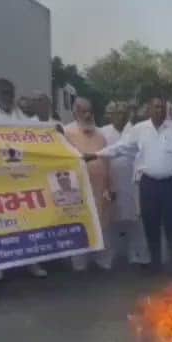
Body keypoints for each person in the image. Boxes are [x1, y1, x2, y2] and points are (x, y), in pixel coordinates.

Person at [92, 94, 172, 271]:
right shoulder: (140, 130)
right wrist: (96, 154)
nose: (160, 110)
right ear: (149, 110)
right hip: (149, 185)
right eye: (156, 107)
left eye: (163, 107)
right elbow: (121, 147)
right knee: (151, 224)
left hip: (171, 185)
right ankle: (155, 263)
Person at [0, 78, 48, 280]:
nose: (8, 96)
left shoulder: (24, 119)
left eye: (10, 92)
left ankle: (32, 262)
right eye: (3, 92)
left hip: (22, 178)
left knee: (27, 222)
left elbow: (41, 133)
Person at [99, 101, 153, 266]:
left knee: (136, 222)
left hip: (133, 183)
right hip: (112, 181)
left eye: (124, 112)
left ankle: (138, 255)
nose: (121, 115)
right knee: (110, 223)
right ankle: (107, 258)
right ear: (111, 115)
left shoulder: (136, 131)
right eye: (117, 112)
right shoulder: (103, 132)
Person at [63, 98, 114, 271]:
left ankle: (103, 261)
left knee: (102, 224)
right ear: (75, 113)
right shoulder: (66, 132)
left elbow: (107, 161)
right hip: (77, 188)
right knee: (80, 224)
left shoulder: (101, 135)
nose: (88, 115)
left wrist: (110, 186)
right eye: (83, 111)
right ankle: (79, 264)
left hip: (100, 188)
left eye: (90, 111)